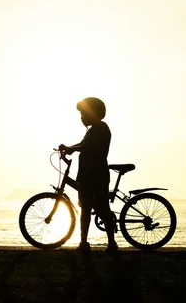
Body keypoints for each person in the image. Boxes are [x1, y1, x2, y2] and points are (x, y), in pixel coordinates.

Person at [59, 97, 118, 254]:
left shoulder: (101, 129)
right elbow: (83, 145)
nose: (82, 117)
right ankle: (84, 242)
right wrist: (70, 148)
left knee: (102, 209)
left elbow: (88, 147)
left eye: (84, 113)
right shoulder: (93, 130)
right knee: (86, 208)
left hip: (96, 175)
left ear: (94, 113)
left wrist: (71, 148)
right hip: (87, 175)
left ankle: (111, 243)